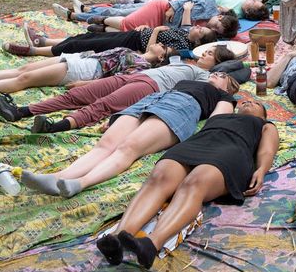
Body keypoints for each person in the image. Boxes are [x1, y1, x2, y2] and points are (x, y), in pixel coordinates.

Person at [95, 98, 278, 269]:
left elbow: (267, 151)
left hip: (232, 150)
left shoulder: (264, 125)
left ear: (263, 116)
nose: (248, 101)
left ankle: (152, 243)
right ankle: (117, 238)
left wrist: (261, 170)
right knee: (159, 177)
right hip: (198, 143)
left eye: (255, 103)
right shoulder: (220, 117)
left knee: (194, 183)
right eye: (246, 100)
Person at [20, 71, 239, 198]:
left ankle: (80, 183)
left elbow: (218, 120)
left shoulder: (224, 97)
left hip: (182, 108)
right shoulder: (193, 80)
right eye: (215, 72)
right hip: (152, 100)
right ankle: (58, 177)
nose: (215, 74)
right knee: (105, 145)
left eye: (222, 76)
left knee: (128, 147)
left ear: (228, 88)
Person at [0, 46, 236, 132]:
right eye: (207, 50)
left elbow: (239, 71)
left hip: (149, 86)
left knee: (100, 107)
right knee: (75, 95)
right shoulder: (187, 62)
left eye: (212, 54)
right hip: (133, 76)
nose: (205, 54)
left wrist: (225, 75)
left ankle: (56, 126)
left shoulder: (206, 78)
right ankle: (21, 111)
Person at [0, 45, 166, 94]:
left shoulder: (141, 65)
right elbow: (151, 44)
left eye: (162, 47)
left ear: (161, 56)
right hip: (82, 58)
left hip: (88, 71)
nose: (157, 43)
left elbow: (117, 81)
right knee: (25, 67)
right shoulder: (137, 52)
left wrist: (84, 85)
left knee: (25, 78)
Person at [6, 23, 217, 58]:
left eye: (202, 31)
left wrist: (154, 31)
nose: (198, 27)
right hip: (133, 35)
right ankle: (44, 41)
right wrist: (147, 28)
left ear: (199, 42)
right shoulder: (182, 31)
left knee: (82, 46)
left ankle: (32, 51)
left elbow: (153, 49)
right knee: (86, 36)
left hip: (131, 45)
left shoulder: (182, 46)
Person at [85, 0, 239, 39]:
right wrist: (174, 6)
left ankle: (101, 27)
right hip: (162, 9)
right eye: (217, 26)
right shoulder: (209, 4)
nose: (213, 28)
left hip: (162, 26)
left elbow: (184, 31)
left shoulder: (206, 32)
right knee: (127, 22)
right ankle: (96, 18)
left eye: (217, 31)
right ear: (220, 17)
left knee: (131, 32)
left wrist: (186, 12)